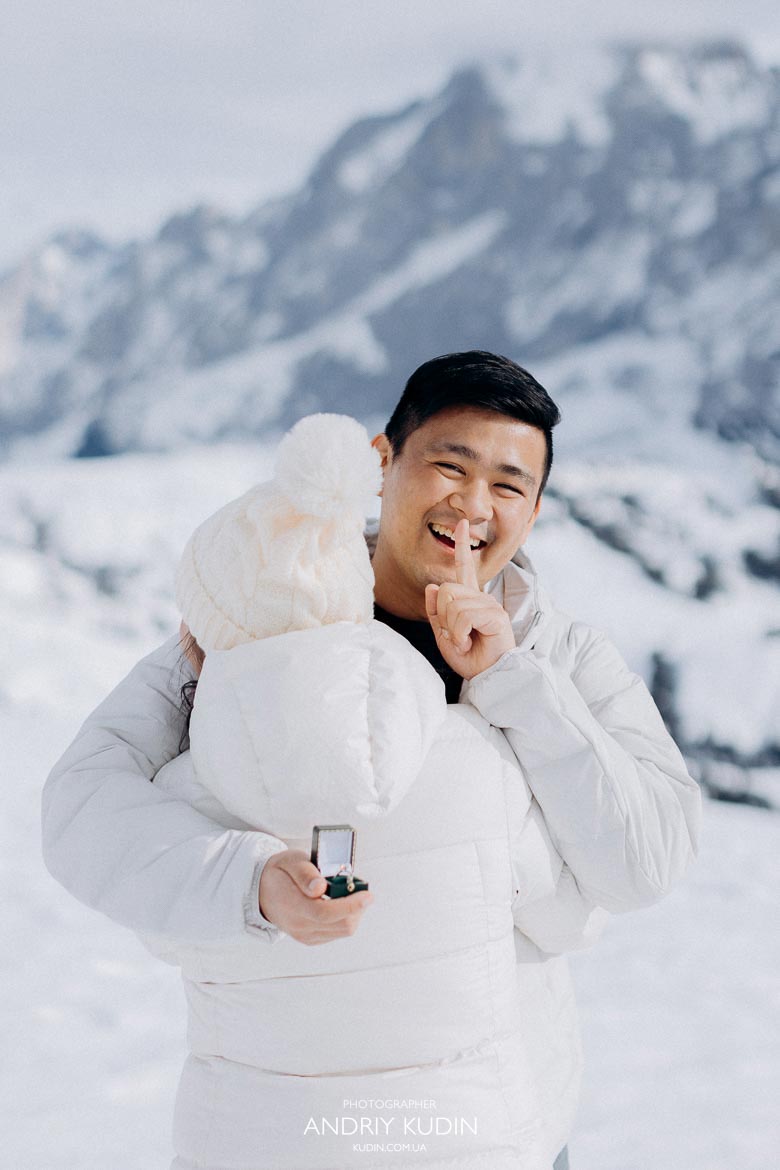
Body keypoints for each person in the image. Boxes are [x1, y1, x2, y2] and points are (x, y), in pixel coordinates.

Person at [41, 350, 702, 1170]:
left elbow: (645, 863)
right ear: (382, 462)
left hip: (502, 1132)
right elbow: (81, 808)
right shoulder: (258, 622)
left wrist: (512, 681)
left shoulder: (560, 656)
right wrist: (246, 883)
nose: (473, 504)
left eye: (508, 485)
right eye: (450, 466)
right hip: (279, 1130)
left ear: (533, 511)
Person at [144, 410, 603, 1170]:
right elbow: (571, 917)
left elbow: (163, 930)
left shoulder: (185, 787)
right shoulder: (475, 756)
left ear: (204, 631)